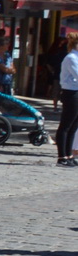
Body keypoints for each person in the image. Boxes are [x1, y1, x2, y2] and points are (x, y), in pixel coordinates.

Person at [56, 28, 78, 167]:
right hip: (71, 93)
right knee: (66, 125)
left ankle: (69, 154)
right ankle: (62, 156)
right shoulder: (71, 58)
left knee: (73, 126)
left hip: (76, 92)